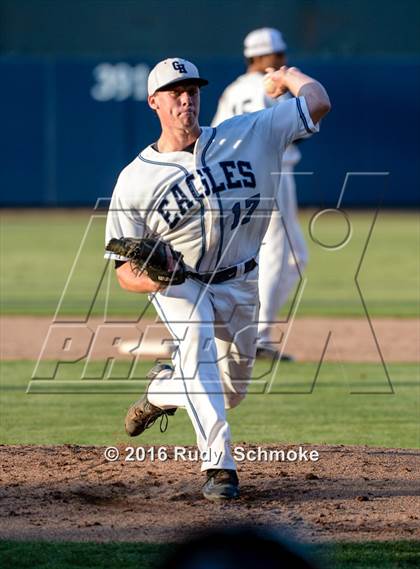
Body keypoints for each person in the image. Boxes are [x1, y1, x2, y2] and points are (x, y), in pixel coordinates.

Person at [105, 57, 330, 500]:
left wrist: (286, 76)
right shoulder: (134, 180)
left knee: (230, 391)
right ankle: (219, 467)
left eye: (191, 90)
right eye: (174, 92)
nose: (185, 99)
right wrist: (156, 278)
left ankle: (164, 389)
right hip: (180, 282)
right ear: (154, 102)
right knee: (195, 341)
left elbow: (318, 101)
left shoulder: (250, 132)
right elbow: (124, 273)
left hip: (241, 281)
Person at [212, 28, 310, 361]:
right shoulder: (270, 86)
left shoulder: (232, 90)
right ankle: (258, 336)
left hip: (238, 176)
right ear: (263, 57)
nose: (283, 60)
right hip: (268, 173)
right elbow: (296, 125)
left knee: (296, 256)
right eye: (278, 55)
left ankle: (249, 330)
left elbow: (216, 138)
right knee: (275, 253)